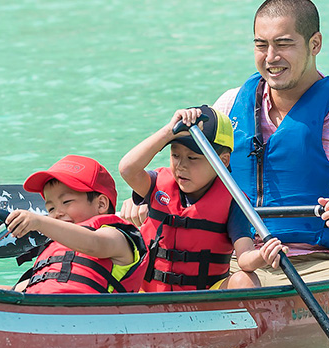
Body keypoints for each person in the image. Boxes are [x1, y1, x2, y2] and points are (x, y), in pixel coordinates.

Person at [120, 0, 329, 288]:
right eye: (261, 45)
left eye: (284, 44)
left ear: (315, 44)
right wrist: (141, 200)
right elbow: (188, 176)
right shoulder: (229, 105)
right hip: (233, 260)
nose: (271, 57)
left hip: (319, 266)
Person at [118, 104, 282, 291]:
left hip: (204, 296)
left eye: (192, 158)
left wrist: (262, 255)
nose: (181, 165)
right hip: (148, 292)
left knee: (246, 280)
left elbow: (244, 258)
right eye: (175, 155)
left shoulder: (233, 201)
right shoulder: (156, 183)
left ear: (223, 161)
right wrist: (168, 132)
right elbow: (127, 169)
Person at [6, 155, 147, 294]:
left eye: (66, 202)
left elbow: (94, 243)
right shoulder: (54, 259)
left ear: (101, 204)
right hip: (39, 304)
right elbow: (13, 293)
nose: (57, 213)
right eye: (51, 209)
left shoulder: (116, 237)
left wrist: (39, 222)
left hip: (87, 307)